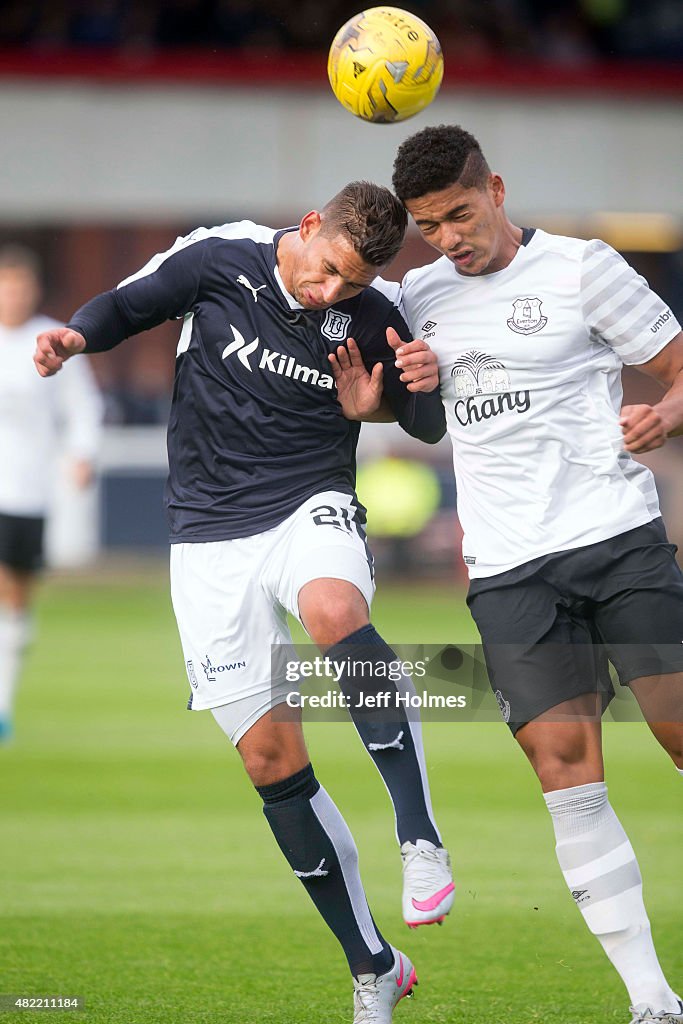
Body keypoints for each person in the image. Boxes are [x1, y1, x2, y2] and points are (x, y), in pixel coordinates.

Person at [34, 182, 454, 1024]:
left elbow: (426, 422)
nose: (332, 292)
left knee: (335, 611)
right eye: (327, 270)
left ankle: (419, 837)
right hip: (207, 536)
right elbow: (129, 304)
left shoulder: (378, 312)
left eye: (353, 282)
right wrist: (77, 335)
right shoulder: (220, 258)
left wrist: (390, 403)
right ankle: (372, 964)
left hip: (309, 503)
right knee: (269, 761)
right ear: (305, 229)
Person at [387, 124, 683, 1024]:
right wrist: (389, 396)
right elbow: (406, 412)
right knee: (566, 771)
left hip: (617, 538)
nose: (448, 239)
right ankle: (651, 1002)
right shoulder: (417, 297)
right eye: (429, 226)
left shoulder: (583, 268)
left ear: (498, 190)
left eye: (461, 215)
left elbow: (675, 364)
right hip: (510, 570)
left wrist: (666, 414)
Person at [0, 244, 102, 742]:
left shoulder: (51, 340)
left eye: (20, 286)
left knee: (16, 600)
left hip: (27, 492)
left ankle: (3, 704)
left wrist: (83, 453)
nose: (13, 295)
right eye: (6, 285)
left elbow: (83, 405)